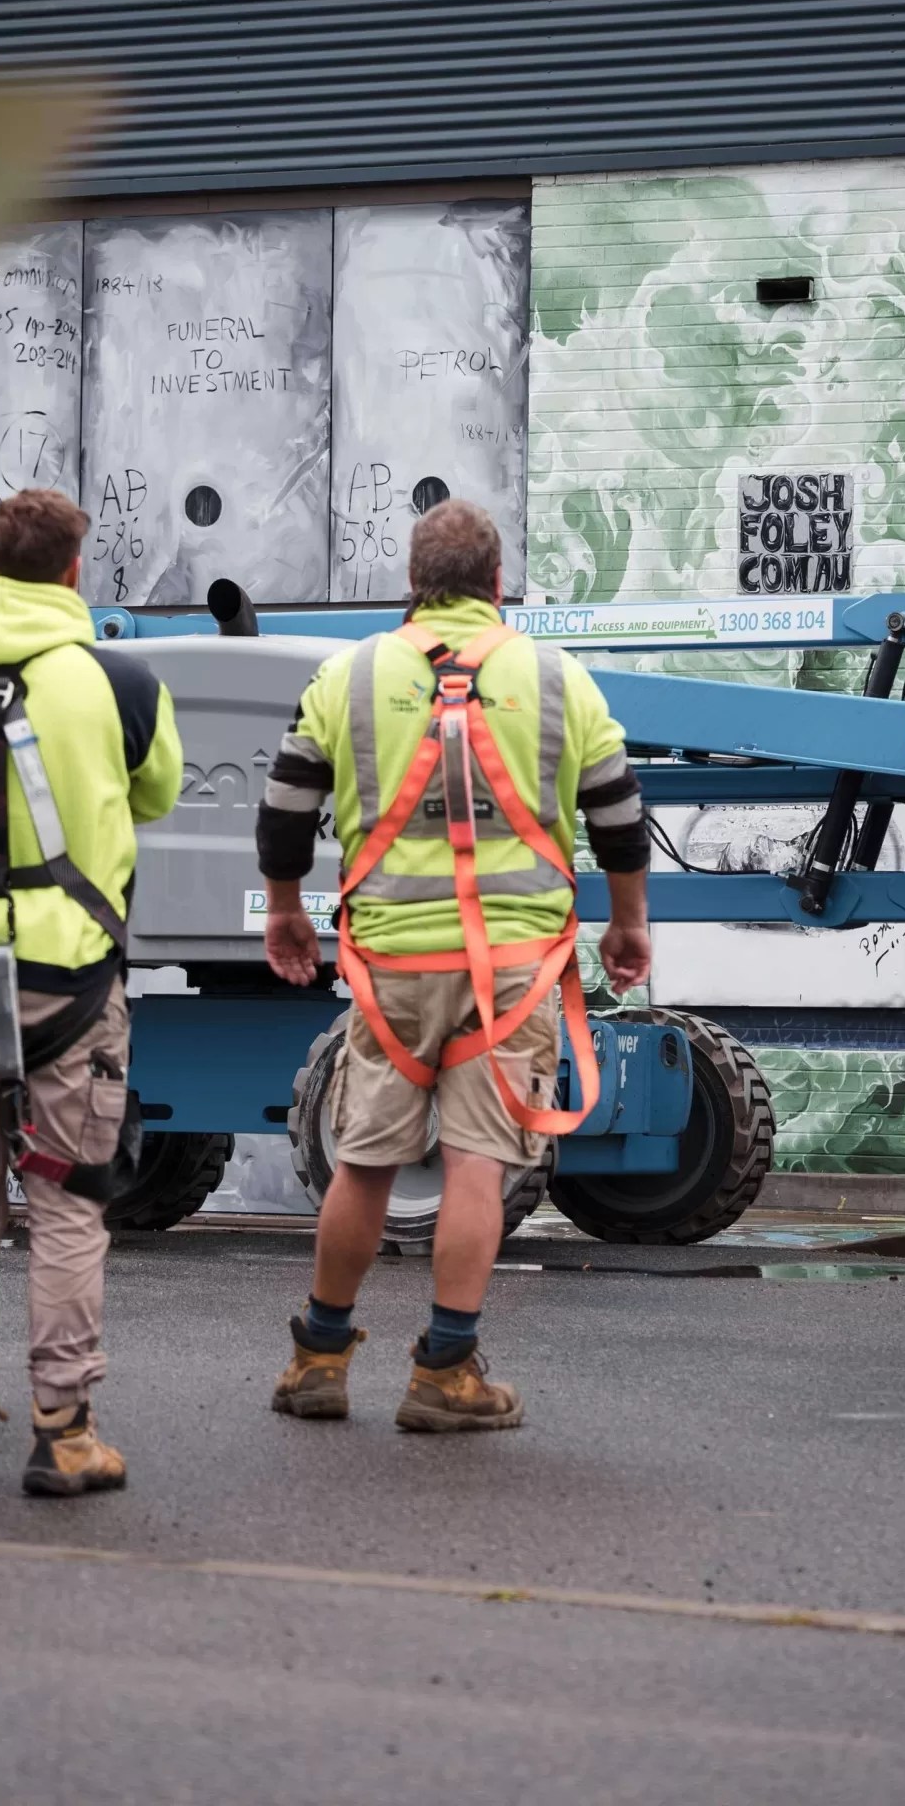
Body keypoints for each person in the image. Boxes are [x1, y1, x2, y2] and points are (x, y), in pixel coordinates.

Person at [256, 497, 651, 1430]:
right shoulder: (558, 680)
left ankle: (318, 1359)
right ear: (498, 583)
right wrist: (627, 926)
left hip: (391, 962)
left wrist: (283, 914)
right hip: (511, 967)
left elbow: (282, 813)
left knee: (362, 1161)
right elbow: (619, 818)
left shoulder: (346, 677)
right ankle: (443, 1375)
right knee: (477, 1165)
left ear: (412, 582)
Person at [0, 486, 182, 1496]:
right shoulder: (120, 684)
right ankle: (62, 1432)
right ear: (74, 573)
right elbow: (156, 792)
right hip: (70, 985)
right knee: (66, 1208)